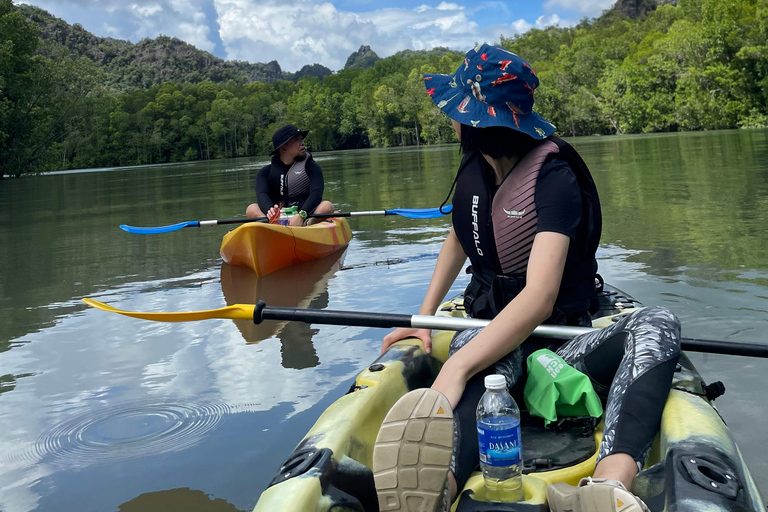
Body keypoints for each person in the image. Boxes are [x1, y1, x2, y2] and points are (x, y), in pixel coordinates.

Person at [372, 44, 681, 512]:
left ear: (474, 120)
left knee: (656, 323)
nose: (450, 120)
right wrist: (427, 317)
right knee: (486, 366)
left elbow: (539, 298)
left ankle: (609, 486)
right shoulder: (476, 168)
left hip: (561, 346)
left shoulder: (553, 176)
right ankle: (440, 487)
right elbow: (461, 237)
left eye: (455, 110)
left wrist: (454, 368)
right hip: (492, 340)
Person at [246, 124, 334, 226]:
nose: (302, 143)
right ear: (283, 148)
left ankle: (308, 223)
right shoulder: (264, 173)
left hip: (305, 214)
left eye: (301, 139)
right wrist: (271, 213)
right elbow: (262, 195)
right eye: (297, 140)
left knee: (327, 206)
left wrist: (302, 214)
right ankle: (273, 225)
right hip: (277, 218)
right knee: (251, 209)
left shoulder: (312, 168)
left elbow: (316, 194)